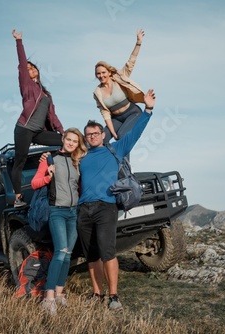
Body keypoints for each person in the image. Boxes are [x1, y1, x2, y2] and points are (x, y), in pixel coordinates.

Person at [77, 88, 156, 310]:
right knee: (91, 256)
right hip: (84, 209)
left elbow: (135, 133)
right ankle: (96, 294)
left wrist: (147, 110)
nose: (92, 137)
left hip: (106, 207)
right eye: (88, 134)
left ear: (103, 134)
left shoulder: (116, 149)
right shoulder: (81, 157)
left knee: (107, 252)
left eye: (95, 133)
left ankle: (113, 296)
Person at [30, 128, 88, 316]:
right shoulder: (50, 159)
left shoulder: (77, 161)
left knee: (68, 253)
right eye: (68, 139)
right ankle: (48, 298)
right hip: (57, 211)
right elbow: (34, 183)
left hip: (73, 212)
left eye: (75, 141)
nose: (71, 143)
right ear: (63, 139)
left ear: (78, 144)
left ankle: (60, 293)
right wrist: (48, 175)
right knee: (60, 252)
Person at [11, 29, 64, 208]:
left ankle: (57, 172)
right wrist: (19, 41)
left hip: (39, 132)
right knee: (20, 160)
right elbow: (21, 63)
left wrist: (63, 132)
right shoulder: (26, 85)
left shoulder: (45, 93)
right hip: (24, 129)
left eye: (33, 67)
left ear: (38, 71)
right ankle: (18, 197)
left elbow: (52, 116)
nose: (30, 69)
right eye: (28, 68)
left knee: (65, 142)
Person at [93, 29, 146, 145]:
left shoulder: (119, 78)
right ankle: (105, 162)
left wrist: (138, 43)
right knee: (102, 140)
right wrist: (112, 132)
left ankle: (124, 164)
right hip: (116, 118)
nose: (101, 75)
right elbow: (105, 113)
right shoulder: (97, 92)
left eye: (103, 72)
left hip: (132, 112)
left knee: (122, 137)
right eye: (98, 73)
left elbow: (130, 62)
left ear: (109, 72)